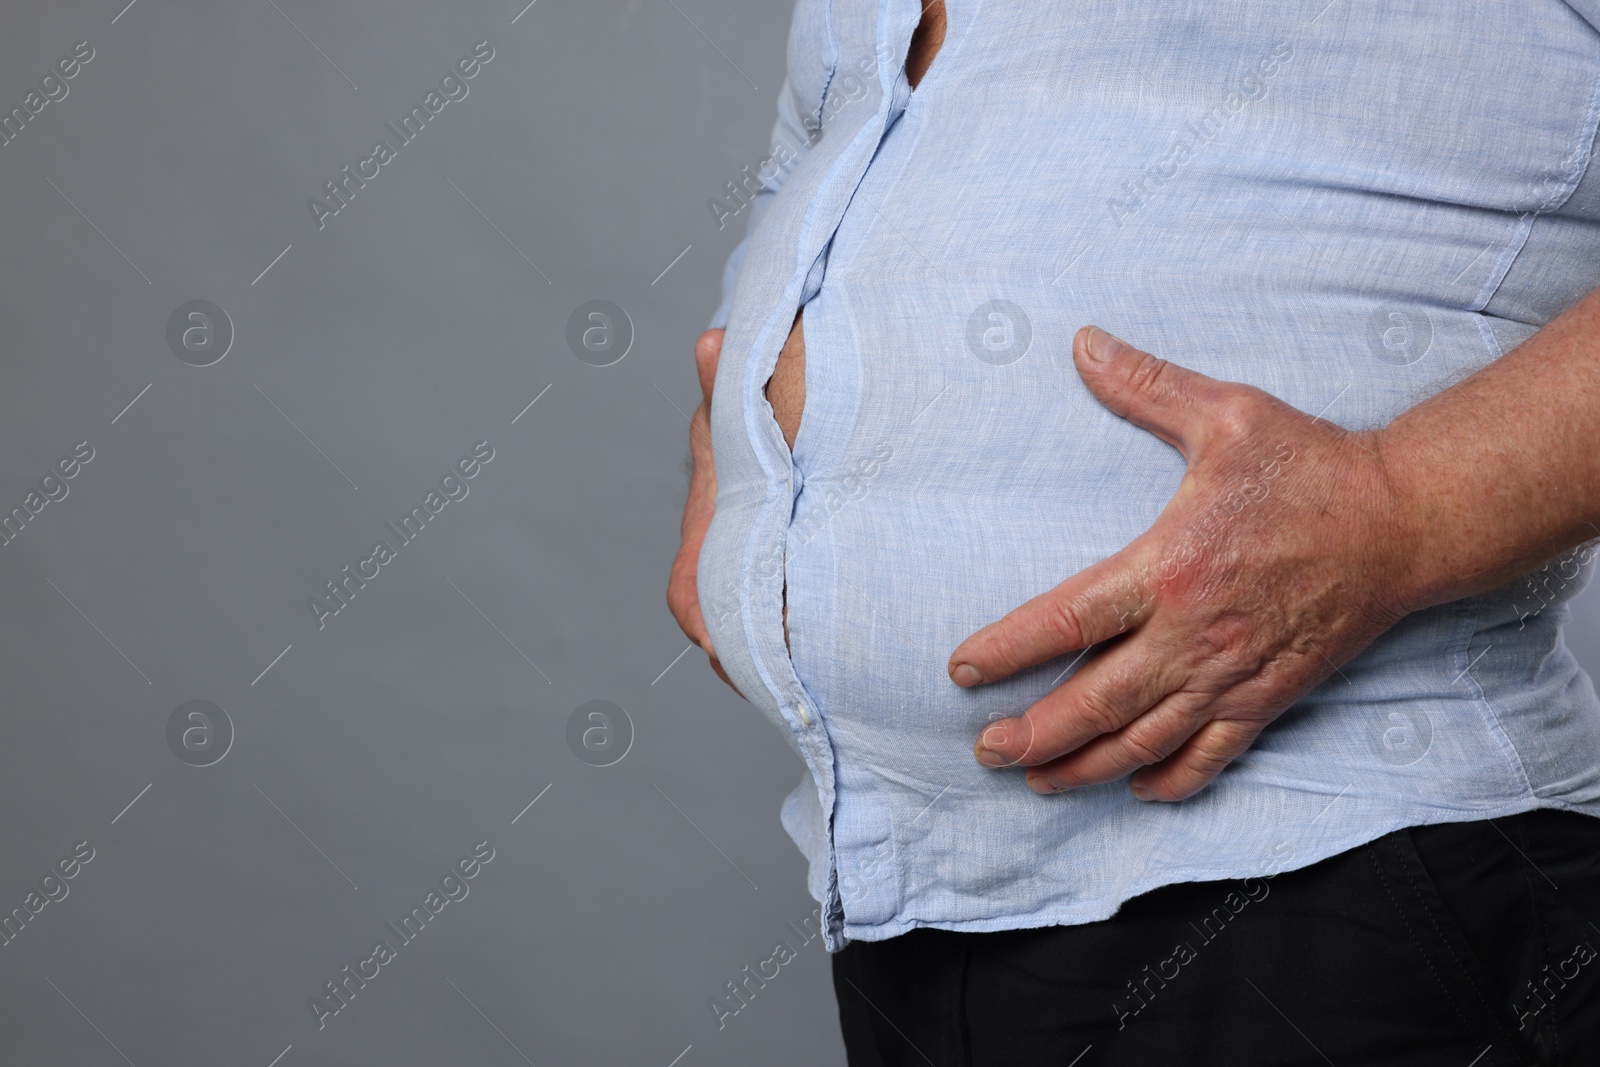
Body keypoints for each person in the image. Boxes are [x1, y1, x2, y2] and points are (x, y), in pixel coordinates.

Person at [669, 1, 1600, 1062]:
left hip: (1334, 860)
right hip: (912, 897)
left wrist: (1397, 504)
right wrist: (734, 438)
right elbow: (836, 141)